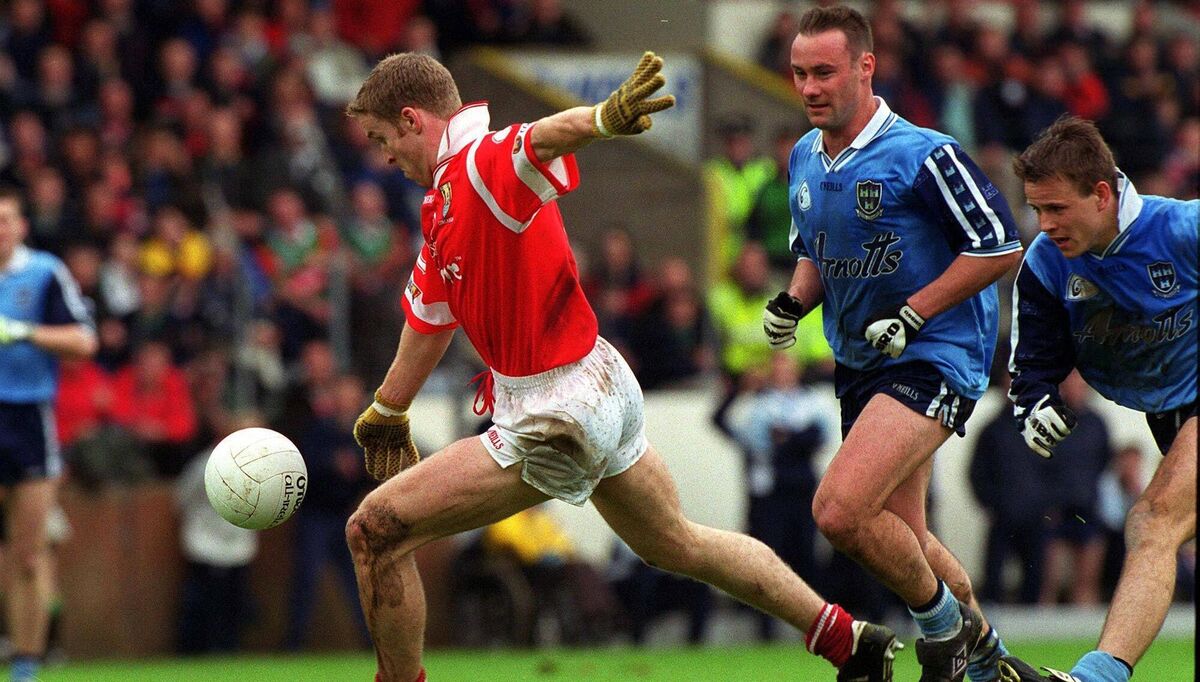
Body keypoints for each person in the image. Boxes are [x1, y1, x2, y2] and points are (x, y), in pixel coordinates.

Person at [343, 51, 900, 682]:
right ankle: (846, 640)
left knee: (374, 532)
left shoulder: (478, 161)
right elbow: (428, 320)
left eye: (382, 139)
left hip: (558, 409)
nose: (383, 156)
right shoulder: (442, 203)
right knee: (679, 544)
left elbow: (538, 139)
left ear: (413, 120)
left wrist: (603, 118)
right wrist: (388, 408)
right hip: (599, 383)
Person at [760, 7, 1023, 682]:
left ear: (865, 67)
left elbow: (999, 246)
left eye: (824, 72)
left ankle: (943, 637)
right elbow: (814, 251)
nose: (810, 87)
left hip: (935, 353)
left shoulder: (925, 152)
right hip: (860, 362)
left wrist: (913, 312)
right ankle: (990, 659)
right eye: (799, 74)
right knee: (905, 539)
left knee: (840, 511)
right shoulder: (803, 157)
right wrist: (794, 300)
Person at [996, 116, 1197, 682]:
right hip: (1171, 414)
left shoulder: (1182, 229)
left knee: (1153, 522)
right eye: (1037, 210)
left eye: (1057, 208)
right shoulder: (1044, 262)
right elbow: (1032, 363)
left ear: (1102, 194)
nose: (1044, 224)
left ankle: (1095, 677)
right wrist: (1033, 406)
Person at [0, 187, 98, 682]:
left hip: (25, 418)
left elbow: (84, 340)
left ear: (20, 226)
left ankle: (25, 666)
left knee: (27, 549)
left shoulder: (43, 273)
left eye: (6, 220)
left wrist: (19, 332)